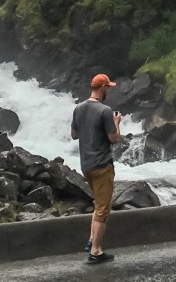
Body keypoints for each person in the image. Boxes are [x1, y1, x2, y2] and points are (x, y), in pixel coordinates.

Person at [70, 73, 123, 265]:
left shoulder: (79, 108)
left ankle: (92, 240)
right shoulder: (105, 110)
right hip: (102, 165)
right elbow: (114, 139)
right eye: (108, 87)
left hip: (86, 165)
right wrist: (117, 124)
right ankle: (96, 250)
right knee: (103, 208)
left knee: (98, 204)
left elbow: (74, 135)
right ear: (102, 88)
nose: (108, 90)